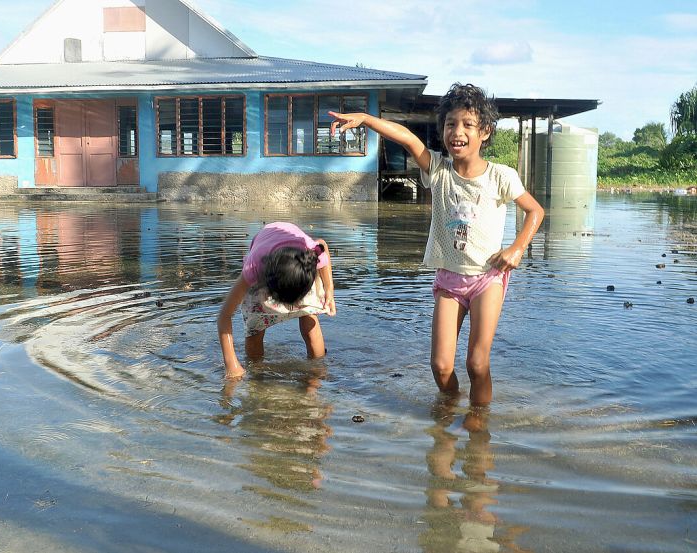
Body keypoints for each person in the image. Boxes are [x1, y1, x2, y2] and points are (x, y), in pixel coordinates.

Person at [329, 83, 544, 405]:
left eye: (468, 125)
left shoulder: (501, 176)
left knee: (476, 363)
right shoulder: (438, 170)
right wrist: (366, 119)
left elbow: (535, 211)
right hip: (449, 279)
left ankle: (478, 425)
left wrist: (517, 248)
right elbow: (407, 138)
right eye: (450, 124)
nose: (457, 131)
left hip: (488, 278)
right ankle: (450, 408)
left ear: (485, 132)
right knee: (441, 366)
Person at [218, 222, 336, 380]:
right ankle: (257, 375)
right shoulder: (254, 267)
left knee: (309, 316)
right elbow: (224, 316)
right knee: (255, 329)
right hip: (266, 272)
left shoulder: (309, 254)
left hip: (296, 266)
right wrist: (231, 365)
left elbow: (322, 245)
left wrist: (329, 291)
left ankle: (318, 370)